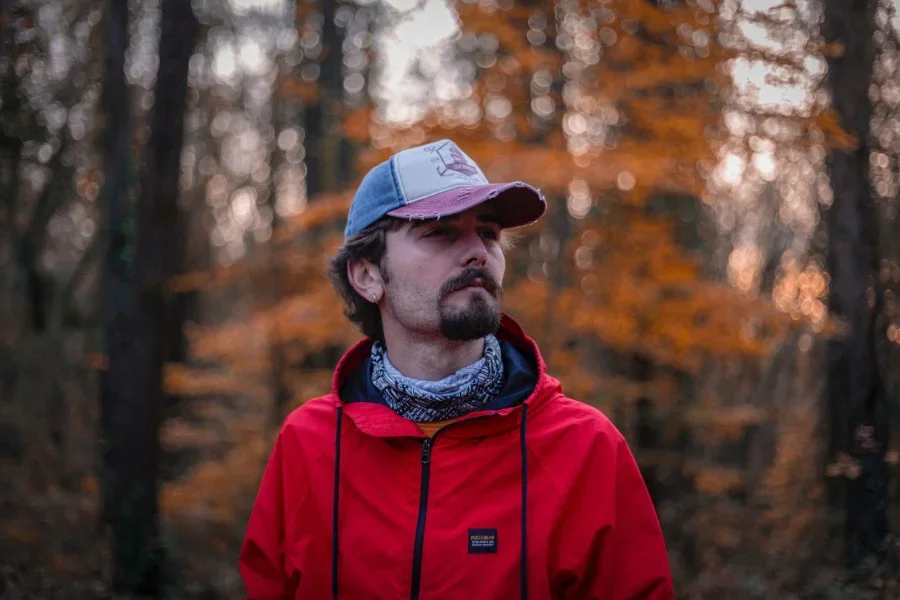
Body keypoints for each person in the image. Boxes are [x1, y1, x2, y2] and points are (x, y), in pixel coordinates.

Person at [239, 139, 674, 599]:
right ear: (367, 275)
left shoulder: (585, 447)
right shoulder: (308, 444)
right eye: (440, 233)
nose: (478, 253)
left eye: (488, 233)